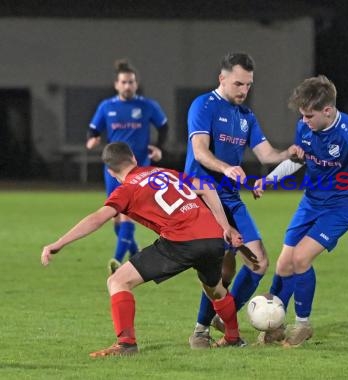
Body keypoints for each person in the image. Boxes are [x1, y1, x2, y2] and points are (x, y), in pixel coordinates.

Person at [41, 142, 251, 356]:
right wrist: (226, 227)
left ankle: (126, 345)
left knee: (117, 281)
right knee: (215, 289)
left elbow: (97, 219)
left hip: (181, 242)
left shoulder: (126, 189)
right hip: (212, 237)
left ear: (110, 171)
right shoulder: (162, 171)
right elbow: (207, 187)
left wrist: (58, 244)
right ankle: (233, 338)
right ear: (133, 158)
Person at [251, 75, 348, 347]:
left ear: (328, 110)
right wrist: (269, 179)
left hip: (344, 205)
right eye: (301, 115)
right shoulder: (305, 127)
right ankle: (274, 325)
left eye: (309, 116)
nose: (303, 121)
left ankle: (303, 325)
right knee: (283, 264)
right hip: (312, 200)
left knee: (301, 259)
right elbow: (298, 160)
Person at [184, 52, 300, 348]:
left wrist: (289, 153)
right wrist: (225, 167)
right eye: (238, 84)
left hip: (231, 198)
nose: (243, 90)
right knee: (220, 269)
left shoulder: (246, 116)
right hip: (203, 196)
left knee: (259, 262)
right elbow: (199, 151)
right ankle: (200, 330)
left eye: (248, 85)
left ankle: (226, 317)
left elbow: (266, 155)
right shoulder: (203, 105)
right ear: (222, 79)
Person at [86, 59, 169, 274]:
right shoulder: (107, 107)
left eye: (131, 82)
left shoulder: (147, 106)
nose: (128, 86)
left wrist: (158, 148)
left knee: (126, 213)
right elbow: (93, 130)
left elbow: (164, 127)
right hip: (113, 169)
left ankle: (116, 259)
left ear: (136, 83)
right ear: (117, 84)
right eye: (124, 82)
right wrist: (92, 139)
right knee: (116, 216)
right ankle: (135, 253)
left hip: (138, 169)